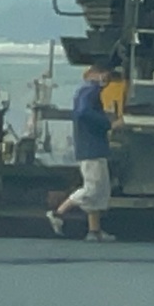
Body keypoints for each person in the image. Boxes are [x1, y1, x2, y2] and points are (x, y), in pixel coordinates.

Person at [50, 64, 116, 241]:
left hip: (91, 146)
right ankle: (58, 213)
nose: (106, 77)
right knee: (92, 188)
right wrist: (107, 123)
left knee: (100, 191)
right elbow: (83, 112)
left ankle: (94, 230)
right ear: (94, 74)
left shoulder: (85, 91)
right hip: (92, 147)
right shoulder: (90, 90)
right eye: (104, 73)